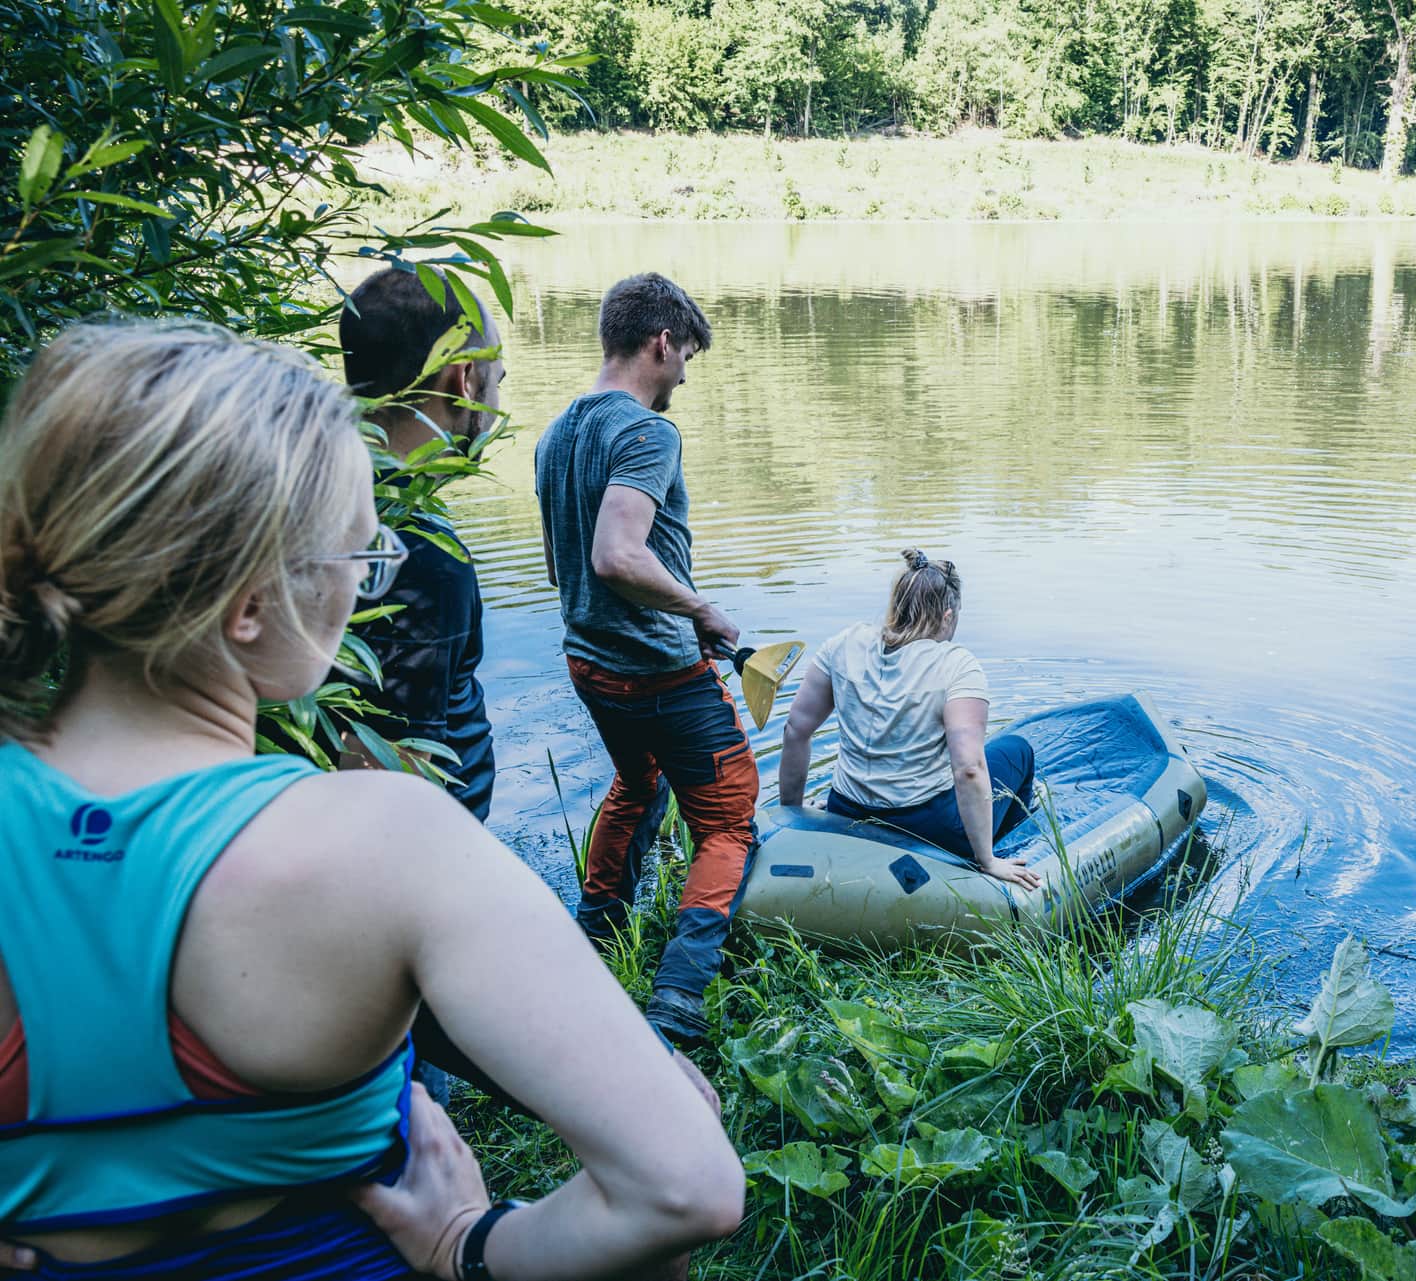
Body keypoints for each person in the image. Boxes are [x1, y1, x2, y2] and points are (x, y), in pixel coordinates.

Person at [0, 320, 741, 1279]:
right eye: (356, 559)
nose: (363, 588)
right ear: (251, 602)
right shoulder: (388, 842)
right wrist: (463, 1242)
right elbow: (685, 1185)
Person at [534, 272, 755, 1045]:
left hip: (590, 663)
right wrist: (700, 609)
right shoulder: (647, 431)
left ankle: (592, 945)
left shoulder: (555, 436)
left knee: (637, 781)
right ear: (662, 342)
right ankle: (679, 997)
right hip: (662, 674)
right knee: (729, 825)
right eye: (687, 355)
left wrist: (671, 608)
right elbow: (616, 555)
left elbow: (566, 571)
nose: (685, 376)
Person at [778, 550, 1045, 892]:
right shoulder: (956, 664)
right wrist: (986, 860)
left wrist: (792, 811)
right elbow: (968, 768)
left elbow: (795, 729)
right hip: (927, 826)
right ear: (947, 616)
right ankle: (1004, 856)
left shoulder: (843, 643)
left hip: (845, 809)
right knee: (1017, 750)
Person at [338, 265, 502, 821]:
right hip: (425, 864)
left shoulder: (325, 495)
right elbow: (390, 766)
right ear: (464, 380)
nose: (496, 401)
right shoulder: (421, 554)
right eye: (496, 378)